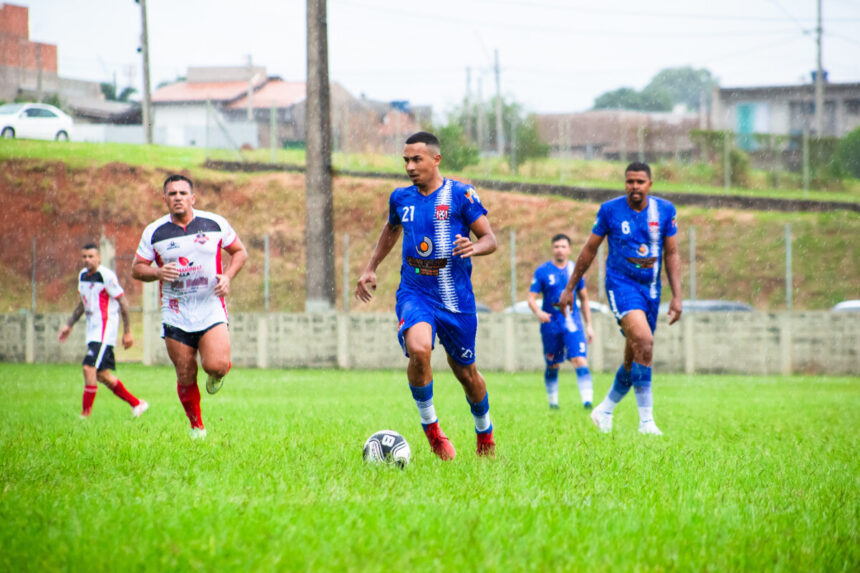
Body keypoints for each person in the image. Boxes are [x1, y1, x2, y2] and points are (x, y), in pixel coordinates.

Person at [355, 131, 498, 460]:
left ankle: (484, 434)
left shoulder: (461, 194)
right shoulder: (401, 198)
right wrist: (371, 267)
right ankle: (433, 433)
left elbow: (490, 238)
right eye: (405, 160)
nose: (409, 166)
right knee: (419, 350)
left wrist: (474, 247)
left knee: (466, 373)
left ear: (436, 159)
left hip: (456, 300)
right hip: (415, 292)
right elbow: (391, 229)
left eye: (416, 159)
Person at [559, 162, 681, 436]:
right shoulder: (610, 211)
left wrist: (677, 296)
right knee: (645, 342)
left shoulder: (665, 211)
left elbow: (672, 253)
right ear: (625, 183)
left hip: (650, 290)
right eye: (629, 182)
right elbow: (589, 250)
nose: (634, 187)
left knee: (635, 357)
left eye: (639, 182)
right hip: (621, 286)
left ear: (650, 183)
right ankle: (646, 422)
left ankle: (604, 410)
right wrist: (570, 288)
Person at [132, 174, 247, 439]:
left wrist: (227, 277)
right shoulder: (155, 232)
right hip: (175, 311)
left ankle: (218, 374)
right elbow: (137, 269)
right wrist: (159, 273)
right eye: (172, 194)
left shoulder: (215, 224)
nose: (178, 198)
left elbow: (240, 252)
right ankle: (197, 428)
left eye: (183, 193)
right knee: (185, 372)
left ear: (193, 198)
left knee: (216, 365)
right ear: (165, 200)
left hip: (210, 307)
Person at [58, 243, 148, 419]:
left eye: (91, 256)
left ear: (98, 258)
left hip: (105, 331)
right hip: (92, 332)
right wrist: (69, 324)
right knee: (103, 375)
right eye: (84, 256)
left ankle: (85, 414)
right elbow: (82, 303)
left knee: (88, 367)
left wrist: (127, 332)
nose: (87, 260)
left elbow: (123, 301)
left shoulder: (106, 276)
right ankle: (137, 404)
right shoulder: (82, 276)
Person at [528, 233, 595, 410]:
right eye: (557, 246)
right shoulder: (543, 271)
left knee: (579, 359)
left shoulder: (575, 270)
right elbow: (531, 298)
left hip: (572, 324)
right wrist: (538, 312)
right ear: (552, 248)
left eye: (563, 247)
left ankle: (587, 402)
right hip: (551, 324)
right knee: (553, 364)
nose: (560, 250)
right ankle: (553, 403)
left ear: (569, 249)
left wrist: (589, 325)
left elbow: (584, 299)